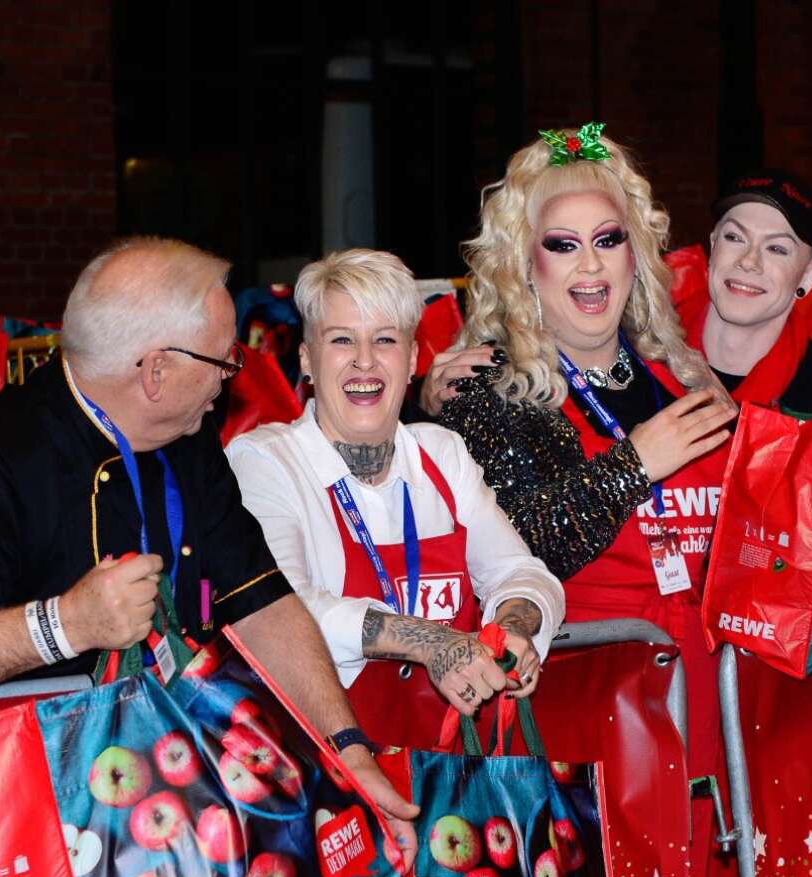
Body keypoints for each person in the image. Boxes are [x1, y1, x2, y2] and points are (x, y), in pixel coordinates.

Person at [0, 236, 418, 863]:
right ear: (157, 370)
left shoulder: (187, 437)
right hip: (15, 838)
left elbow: (262, 602)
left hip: (178, 806)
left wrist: (347, 750)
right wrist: (63, 625)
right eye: (224, 359)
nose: (231, 377)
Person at [425, 123, 747, 877]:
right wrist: (637, 460)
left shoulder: (682, 376)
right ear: (523, 268)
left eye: (609, 241)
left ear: (638, 255)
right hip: (583, 727)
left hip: (711, 718)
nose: (590, 267)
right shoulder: (485, 394)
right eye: (561, 246)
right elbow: (531, 546)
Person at [226, 249, 564, 748]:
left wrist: (513, 629)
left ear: (411, 359)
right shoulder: (265, 459)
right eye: (342, 340)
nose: (365, 361)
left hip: (455, 770)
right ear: (306, 359)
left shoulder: (439, 451)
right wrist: (431, 642)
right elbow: (285, 610)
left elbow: (523, 572)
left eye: (385, 340)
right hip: (334, 763)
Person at [690, 170, 812, 411]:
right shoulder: (645, 353)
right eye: (734, 237)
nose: (748, 261)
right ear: (713, 246)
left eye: (776, 249)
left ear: (808, 277)